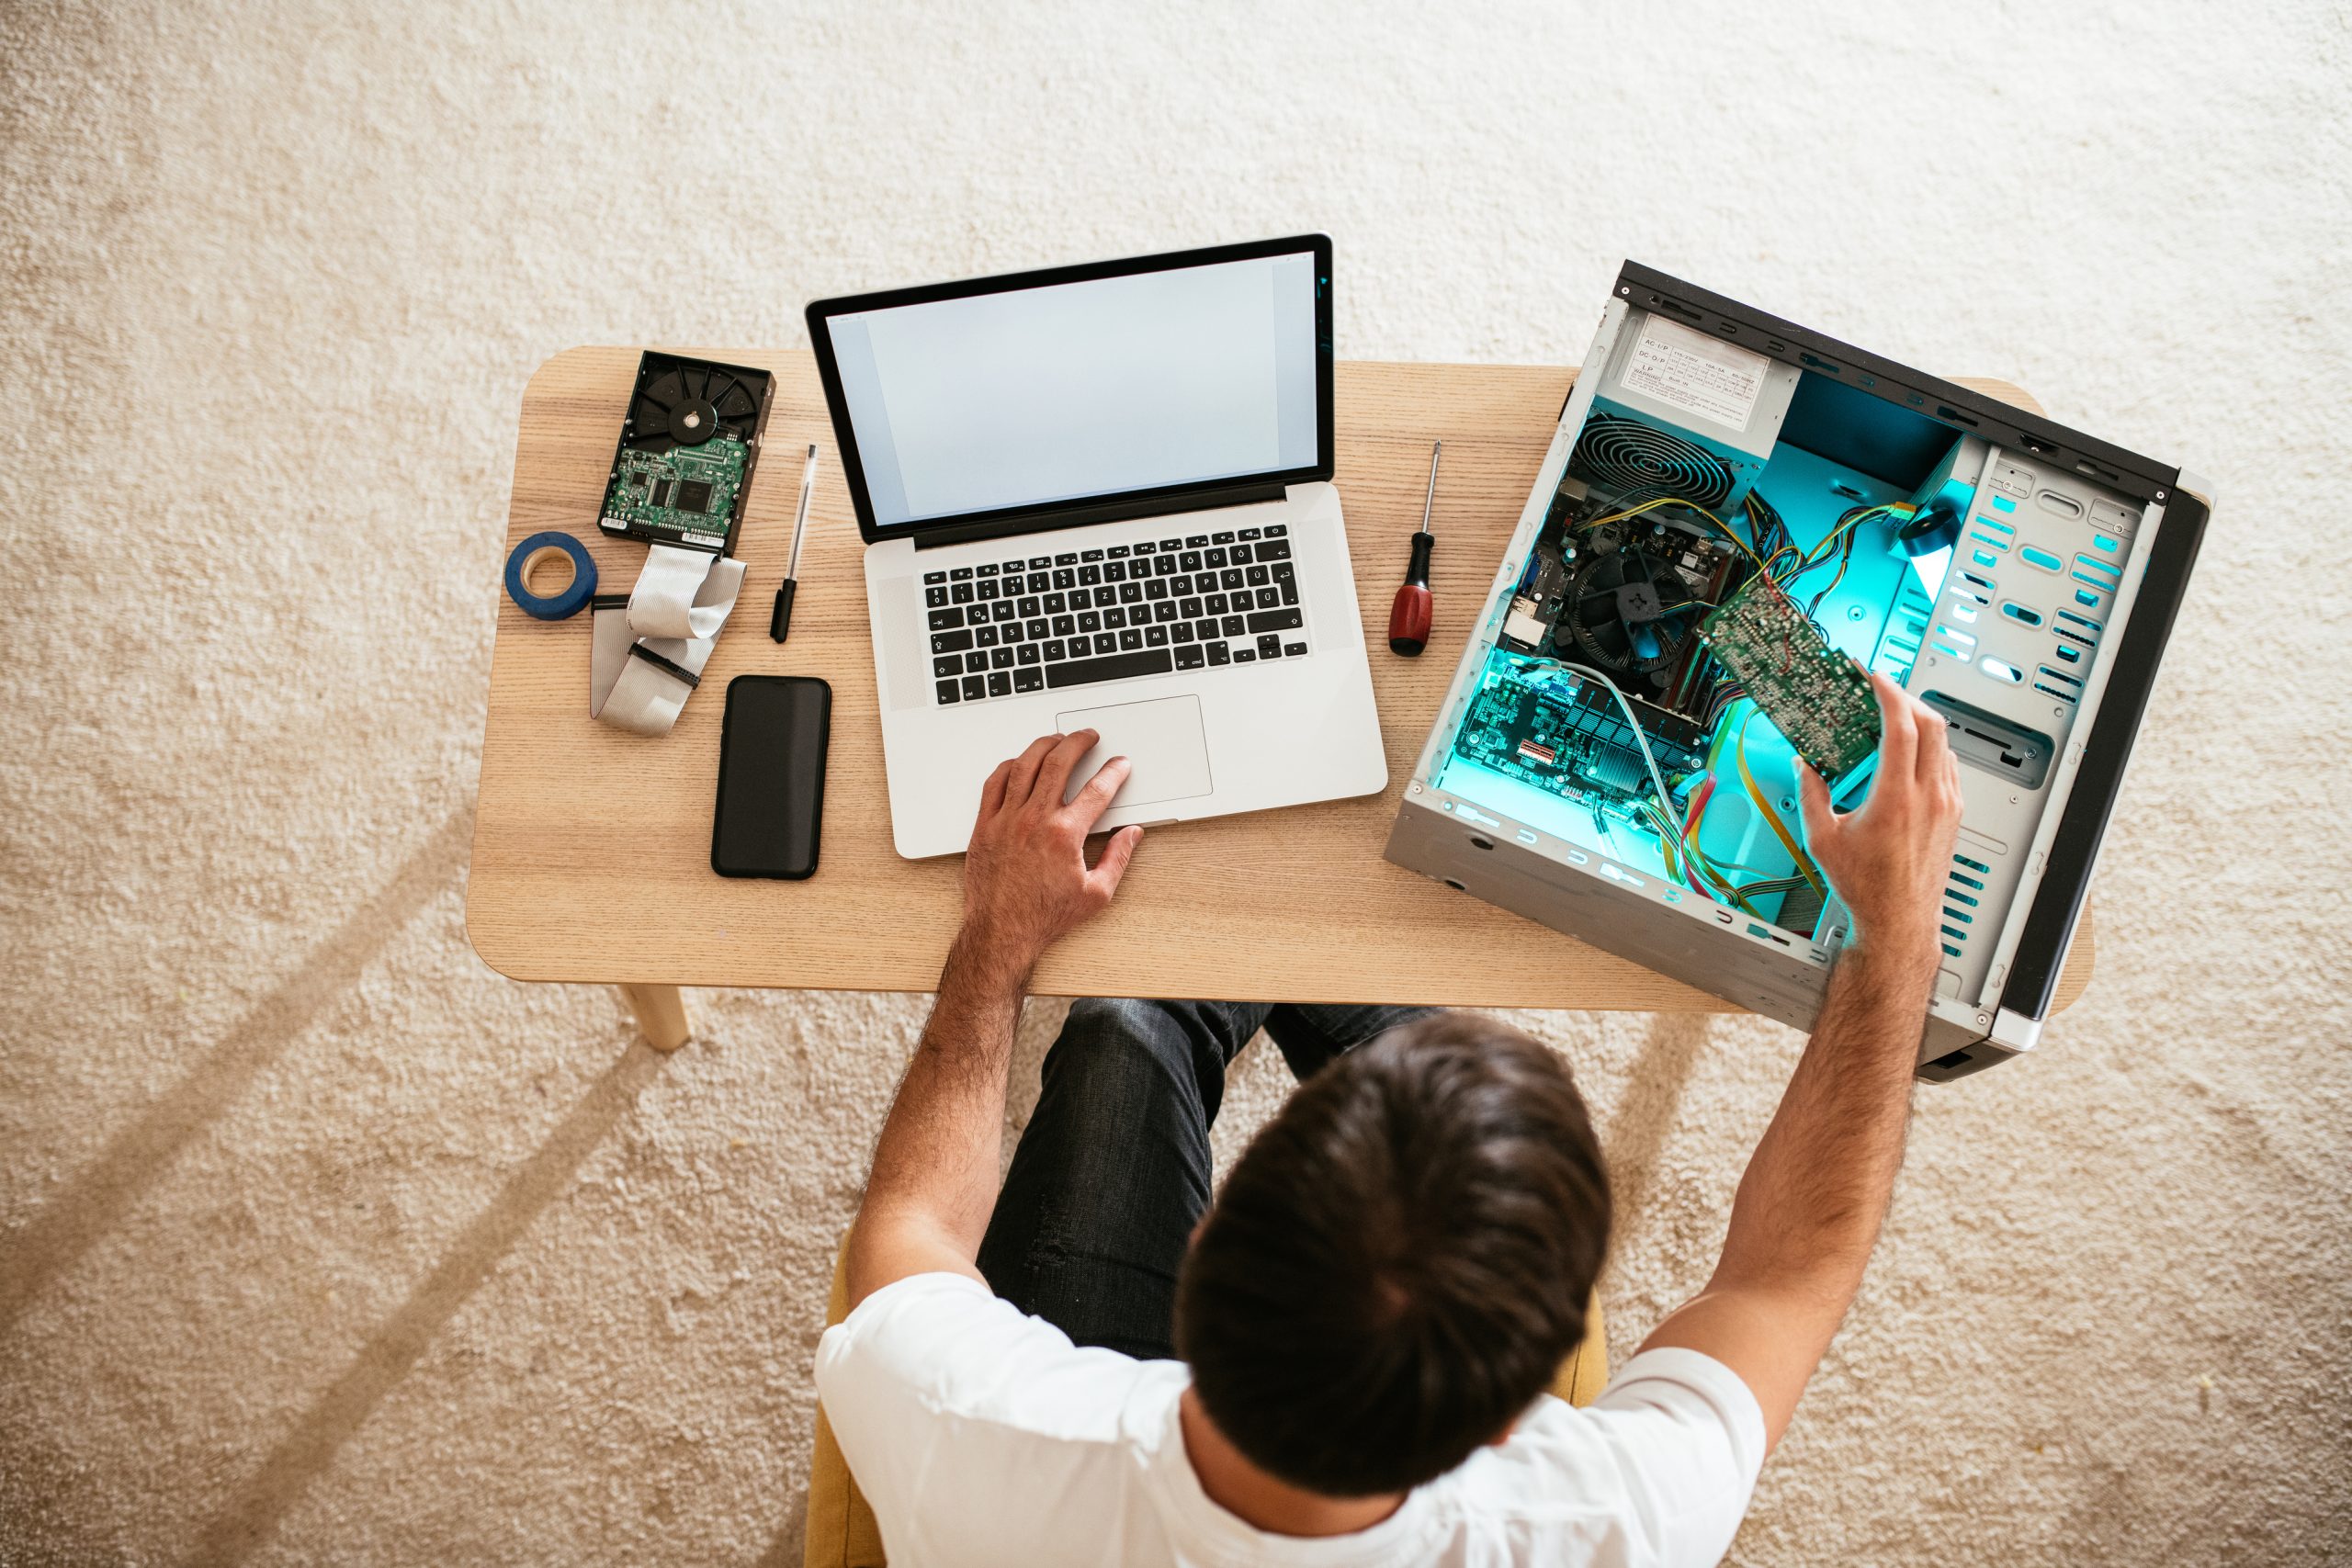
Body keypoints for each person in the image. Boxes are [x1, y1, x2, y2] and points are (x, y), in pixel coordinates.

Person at [816, 674, 1965, 1567]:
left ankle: (1238, 916)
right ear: (1520, 1417)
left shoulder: (977, 1434)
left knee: (1129, 1019)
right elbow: (1787, 1276)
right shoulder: (1606, 1519)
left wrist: (998, 938)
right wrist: (1898, 933)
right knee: (1352, 1028)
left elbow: (909, 1228)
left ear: (1202, 1243)